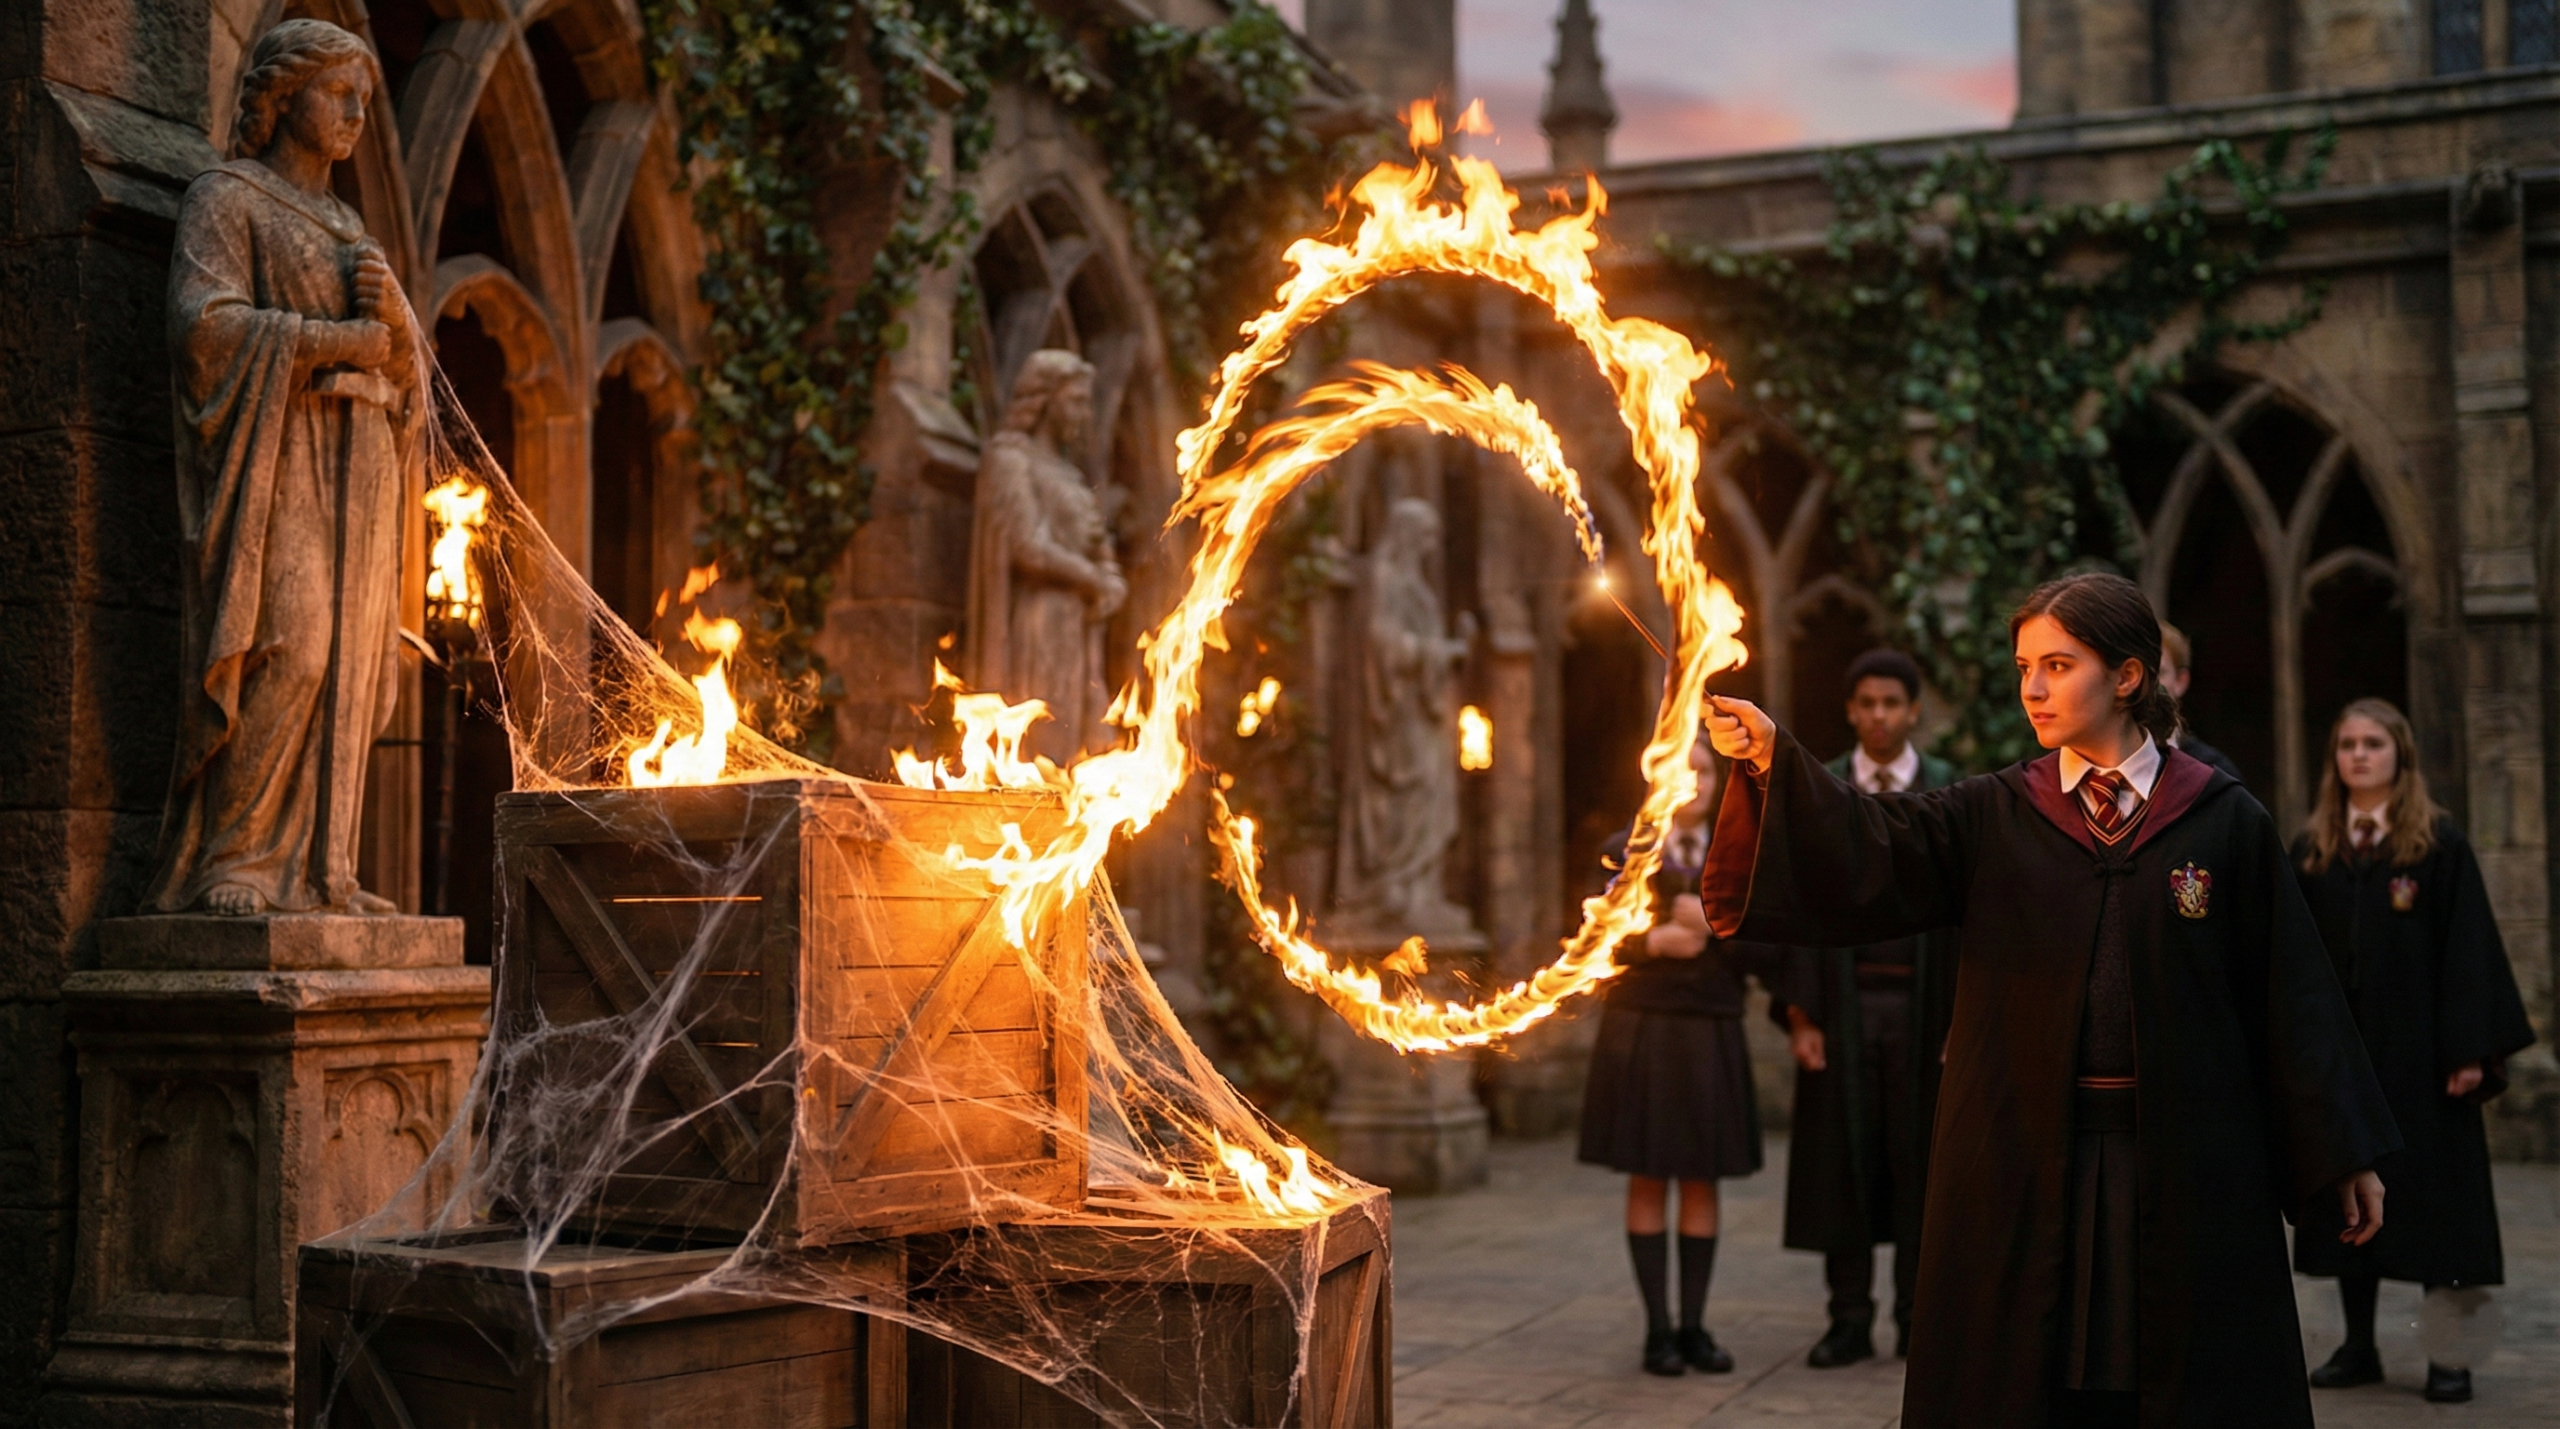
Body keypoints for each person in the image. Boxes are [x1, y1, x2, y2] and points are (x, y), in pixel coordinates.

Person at [1698, 571, 2398, 1429]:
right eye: (2025, 664)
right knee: (2026, 1380)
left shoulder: (2222, 822)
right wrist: (1777, 760)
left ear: (2129, 675)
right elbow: (1871, 843)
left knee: (2179, 1383)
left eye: (2059, 664)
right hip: (2023, 1158)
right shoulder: (1995, 814)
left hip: (2184, 1164)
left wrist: (2341, 1147)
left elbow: (2294, 995)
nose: (2032, 686)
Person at [2292, 698, 2534, 1405]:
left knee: (2442, 1210)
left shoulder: (2436, 846)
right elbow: (2294, 958)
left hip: (2427, 1062)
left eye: (2372, 743)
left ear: (2400, 755)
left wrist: (2471, 1049)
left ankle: (2449, 1358)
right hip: (2348, 1063)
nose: (2358, 755)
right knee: (2350, 1202)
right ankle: (2359, 1345)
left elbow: (2468, 952)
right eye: (2346, 744)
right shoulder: (2314, 850)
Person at [1768, 648, 1959, 1368]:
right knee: (1842, 1165)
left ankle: (1920, 1316)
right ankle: (1848, 1317)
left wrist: (1961, 1019)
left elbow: (1967, 915)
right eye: (1866, 703)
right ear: (1851, 711)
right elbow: (1796, 899)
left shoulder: (1946, 793)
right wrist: (1801, 1014)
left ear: (1913, 711)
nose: (1879, 715)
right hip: (1841, 1010)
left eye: (1892, 703)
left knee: (1923, 1167)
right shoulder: (1825, 790)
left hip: (1925, 1013)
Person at [1579, 734, 1772, 1378]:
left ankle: (1694, 1327)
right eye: (1683, 771)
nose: (1696, 784)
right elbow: (1585, 944)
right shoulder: (1624, 850)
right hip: (1644, 1027)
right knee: (1647, 1174)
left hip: (1710, 1027)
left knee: (1701, 1177)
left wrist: (1718, 923)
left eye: (1707, 773)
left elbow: (1769, 950)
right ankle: (1657, 1332)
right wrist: (1652, 942)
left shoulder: (1741, 855)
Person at [2157, 623, 2245, 786]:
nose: (2149, 683)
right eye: (2141, 671)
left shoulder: (2214, 770)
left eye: (2160, 673)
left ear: (2181, 681)